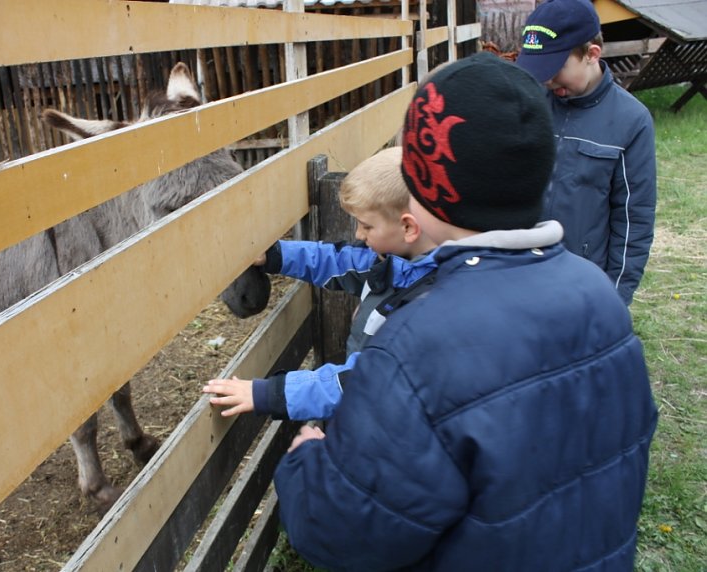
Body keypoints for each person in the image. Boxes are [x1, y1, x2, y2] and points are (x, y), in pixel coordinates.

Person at [271, 52, 657, 571]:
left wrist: (307, 459)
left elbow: (341, 531)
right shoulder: (599, 298)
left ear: (427, 186)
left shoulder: (418, 343)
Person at [203, 146, 438, 420]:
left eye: (366, 226)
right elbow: (334, 261)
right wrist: (275, 256)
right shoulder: (391, 260)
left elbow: (366, 382)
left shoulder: (427, 304)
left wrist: (270, 394)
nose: (359, 235)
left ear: (408, 228)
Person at [516, 0, 657, 305]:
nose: (547, 80)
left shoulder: (631, 121)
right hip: (519, 273)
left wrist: (615, 297)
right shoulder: (530, 103)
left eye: (555, 69)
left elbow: (634, 220)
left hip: (581, 285)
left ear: (592, 54)